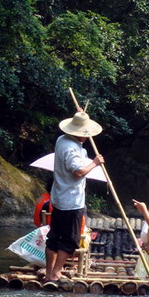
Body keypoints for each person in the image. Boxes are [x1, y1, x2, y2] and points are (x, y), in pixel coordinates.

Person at [45, 111, 104, 282]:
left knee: (54, 237)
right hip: (71, 201)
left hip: (59, 198)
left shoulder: (61, 140)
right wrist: (95, 163)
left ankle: (50, 273)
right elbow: (78, 171)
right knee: (70, 240)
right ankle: (55, 273)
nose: (85, 137)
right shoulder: (70, 148)